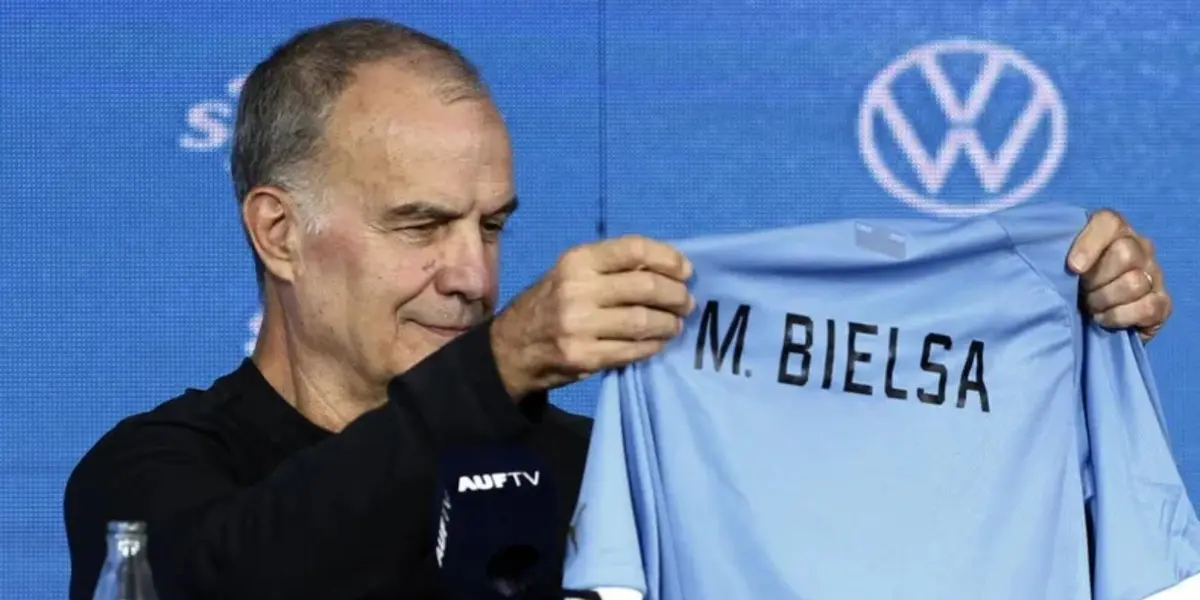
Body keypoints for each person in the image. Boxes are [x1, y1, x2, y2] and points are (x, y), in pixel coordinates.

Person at [63, 18, 1174, 600]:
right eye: (421, 225)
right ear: (278, 233)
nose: (473, 276)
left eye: (492, 226)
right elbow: (235, 578)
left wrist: (1066, 364)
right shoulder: (149, 479)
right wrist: (492, 373)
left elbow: (912, 555)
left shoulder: (608, 480)